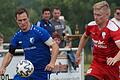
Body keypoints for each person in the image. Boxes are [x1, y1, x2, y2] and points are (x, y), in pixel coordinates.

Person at [0, 8, 59, 80]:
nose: (22, 22)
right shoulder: (17, 36)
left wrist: (52, 63)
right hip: (26, 70)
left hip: (42, 71)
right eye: (20, 20)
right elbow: (10, 54)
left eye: (24, 19)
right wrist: (3, 67)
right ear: (16, 21)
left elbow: (55, 46)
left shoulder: (39, 32)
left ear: (28, 18)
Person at [76, 1, 120, 80]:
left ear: (107, 15)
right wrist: (78, 53)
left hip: (112, 66)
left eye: (99, 15)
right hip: (97, 64)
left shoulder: (113, 28)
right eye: (94, 14)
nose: (95, 17)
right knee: (89, 78)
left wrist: (115, 59)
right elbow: (85, 36)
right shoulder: (91, 26)